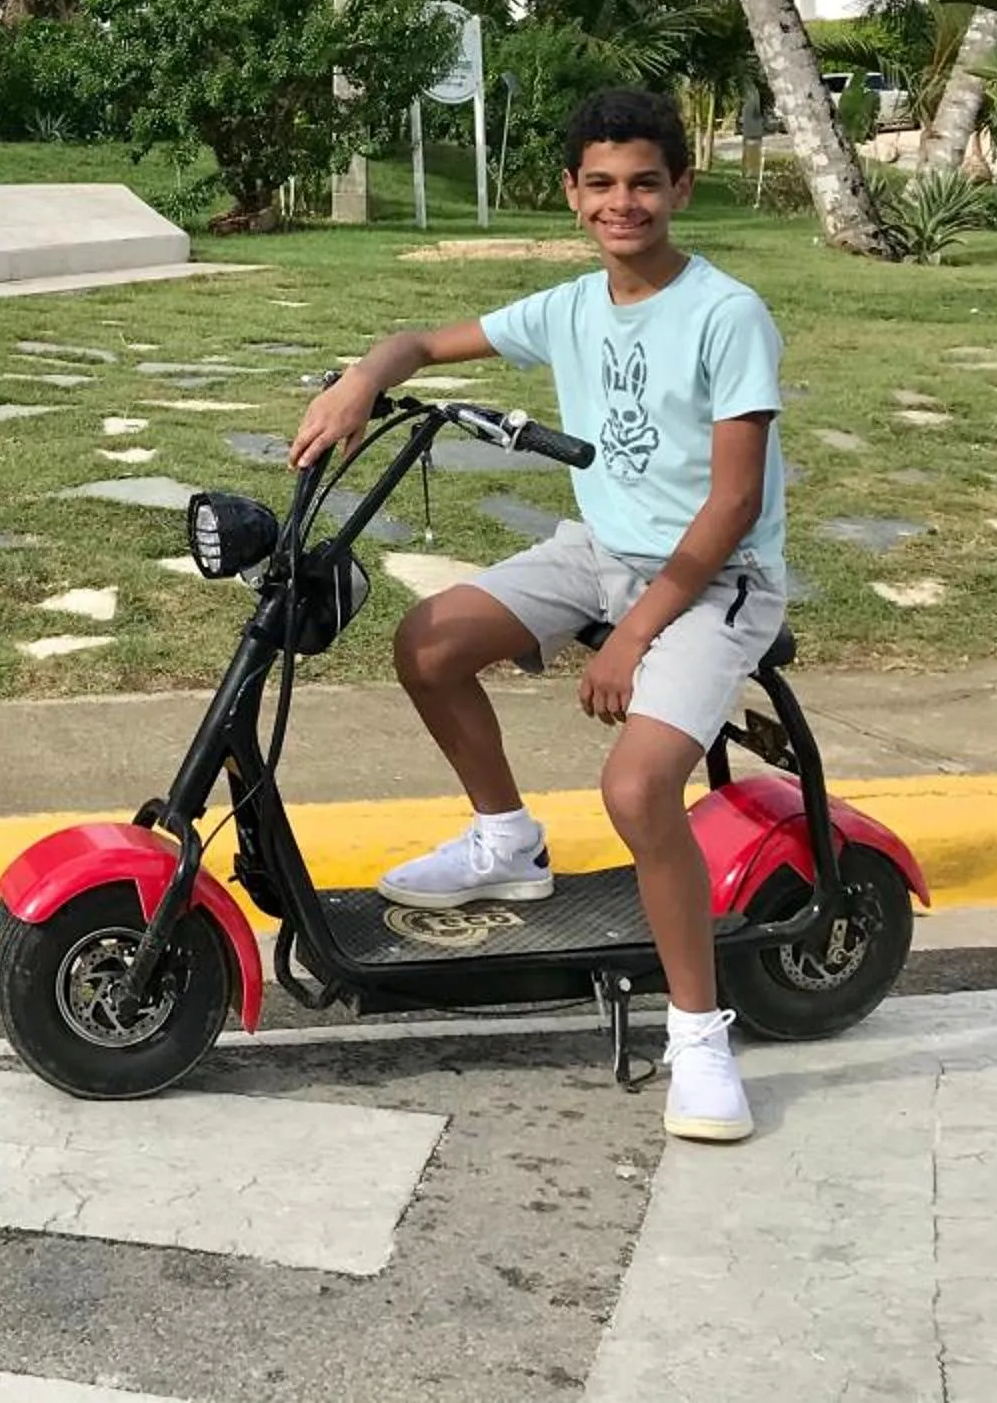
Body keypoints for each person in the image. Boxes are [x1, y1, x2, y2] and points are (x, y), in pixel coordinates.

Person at [288, 85, 785, 1144]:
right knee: (427, 643)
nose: (623, 203)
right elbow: (420, 341)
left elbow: (734, 501)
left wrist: (641, 632)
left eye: (644, 182)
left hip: (715, 576)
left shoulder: (727, 313)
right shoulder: (567, 308)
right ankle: (507, 840)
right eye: (600, 184)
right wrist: (360, 382)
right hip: (598, 552)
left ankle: (699, 1037)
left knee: (640, 784)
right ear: (571, 193)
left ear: (679, 187)